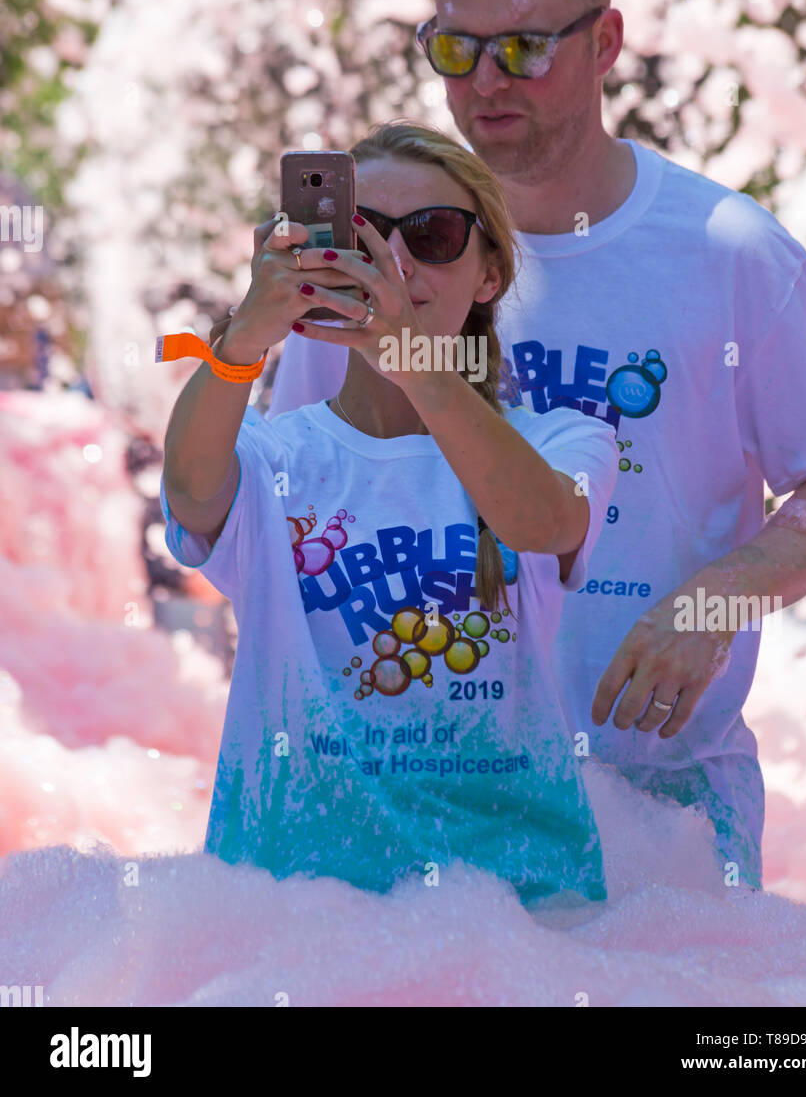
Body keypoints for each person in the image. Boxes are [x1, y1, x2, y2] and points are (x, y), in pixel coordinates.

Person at [244, 0, 806, 891]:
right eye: (453, 49)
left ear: (605, 38)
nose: (484, 81)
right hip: (421, 802)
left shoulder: (729, 253)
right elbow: (294, 518)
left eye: (522, 47)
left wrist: (714, 603)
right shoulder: (367, 265)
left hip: (652, 806)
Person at [159, 121, 620, 907]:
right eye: (361, 235)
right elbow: (190, 493)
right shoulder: (274, 457)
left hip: (526, 915)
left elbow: (542, 522)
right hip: (295, 910)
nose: (394, 265)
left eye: (433, 236)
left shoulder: (563, 440)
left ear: (489, 274)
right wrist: (244, 338)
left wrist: (415, 364)